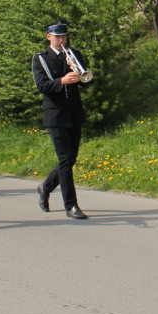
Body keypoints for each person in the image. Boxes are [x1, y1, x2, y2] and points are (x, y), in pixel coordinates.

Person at [32, 19, 92, 220]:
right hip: (55, 114)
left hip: (74, 112)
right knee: (65, 159)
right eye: (57, 36)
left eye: (63, 36)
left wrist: (78, 72)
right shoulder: (40, 58)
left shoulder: (74, 54)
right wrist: (62, 81)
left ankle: (45, 187)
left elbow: (85, 82)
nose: (61, 40)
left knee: (71, 159)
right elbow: (41, 86)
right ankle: (71, 205)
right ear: (48, 36)